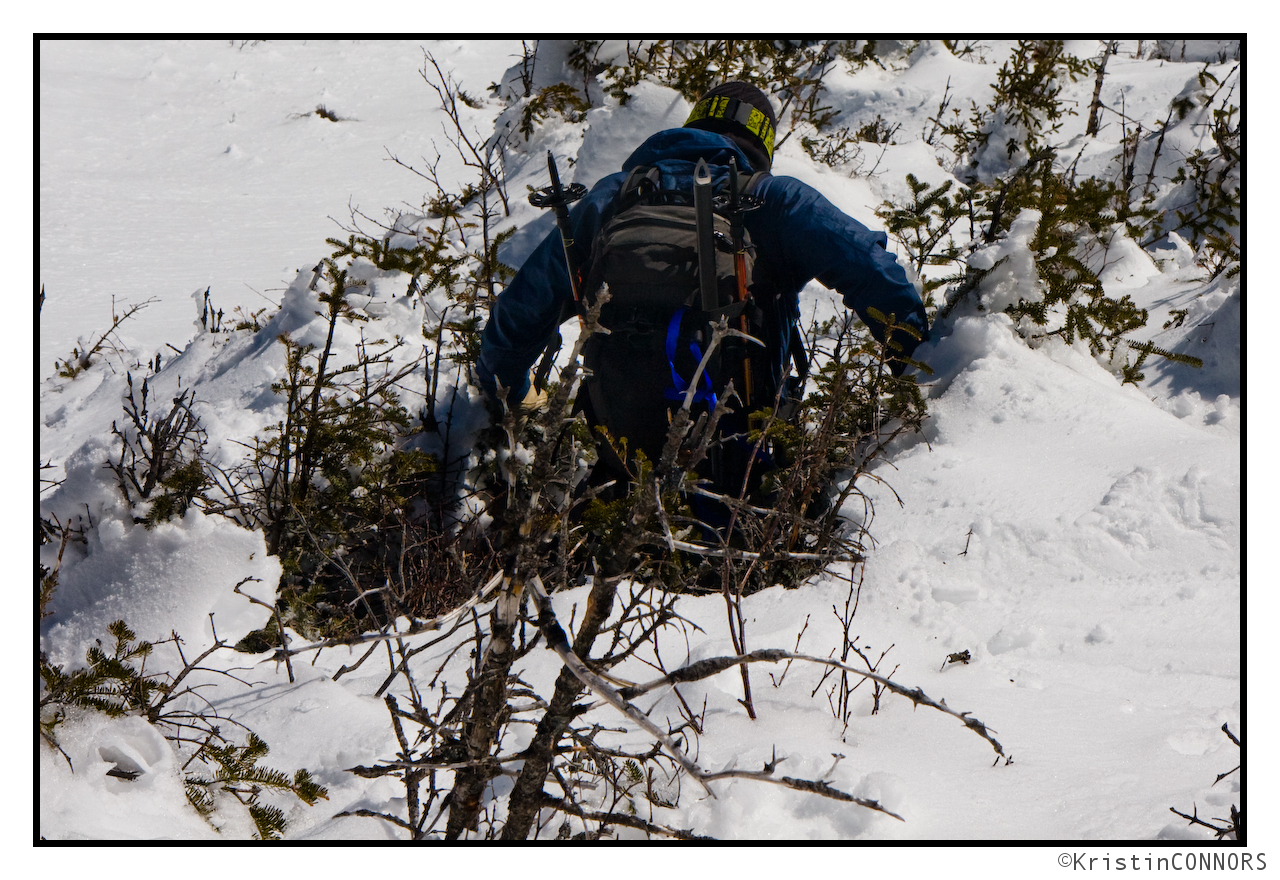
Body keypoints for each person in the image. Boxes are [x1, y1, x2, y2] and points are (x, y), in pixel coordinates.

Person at [477, 81, 928, 505]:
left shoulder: (613, 197)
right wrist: (917, 362)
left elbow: (520, 311)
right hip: (742, 459)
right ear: (761, 143)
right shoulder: (772, 200)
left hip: (620, 449)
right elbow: (869, 266)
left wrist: (512, 394)